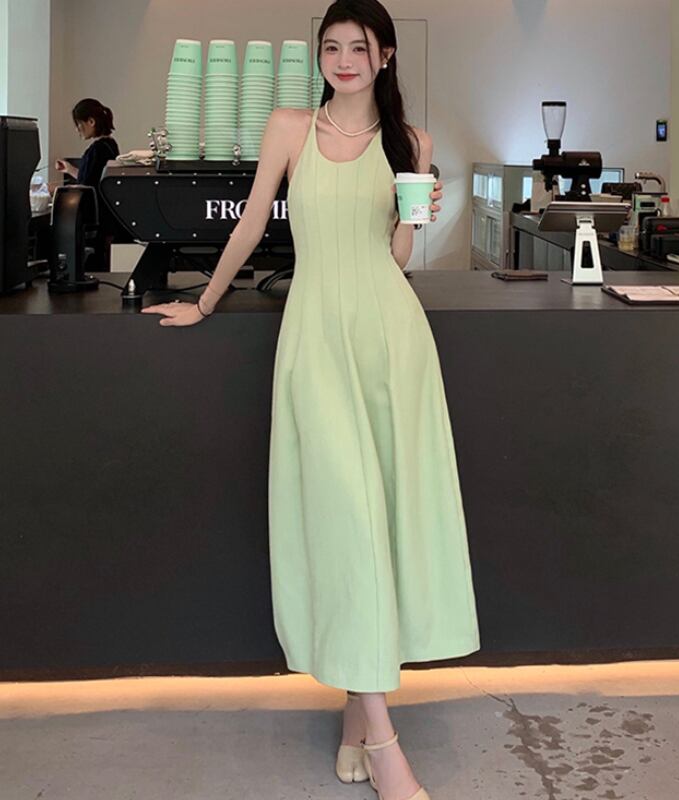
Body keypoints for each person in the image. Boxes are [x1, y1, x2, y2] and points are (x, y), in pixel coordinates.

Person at [143, 2, 481, 798]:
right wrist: (204, 301)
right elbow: (252, 222)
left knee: (384, 527)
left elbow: (399, 256)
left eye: (359, 47)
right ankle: (386, 747)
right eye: (331, 46)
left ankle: (358, 718)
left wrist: (417, 208)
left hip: (391, 341)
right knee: (348, 526)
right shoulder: (290, 129)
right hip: (316, 343)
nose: (344, 59)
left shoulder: (412, 143)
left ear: (385, 55)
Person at [55, 99, 121, 271]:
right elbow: (91, 179)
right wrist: (69, 169)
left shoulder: (97, 150)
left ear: (91, 121)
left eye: (79, 124)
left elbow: (85, 187)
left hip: (97, 220)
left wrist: (55, 190)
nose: (77, 129)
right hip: (107, 218)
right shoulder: (110, 145)